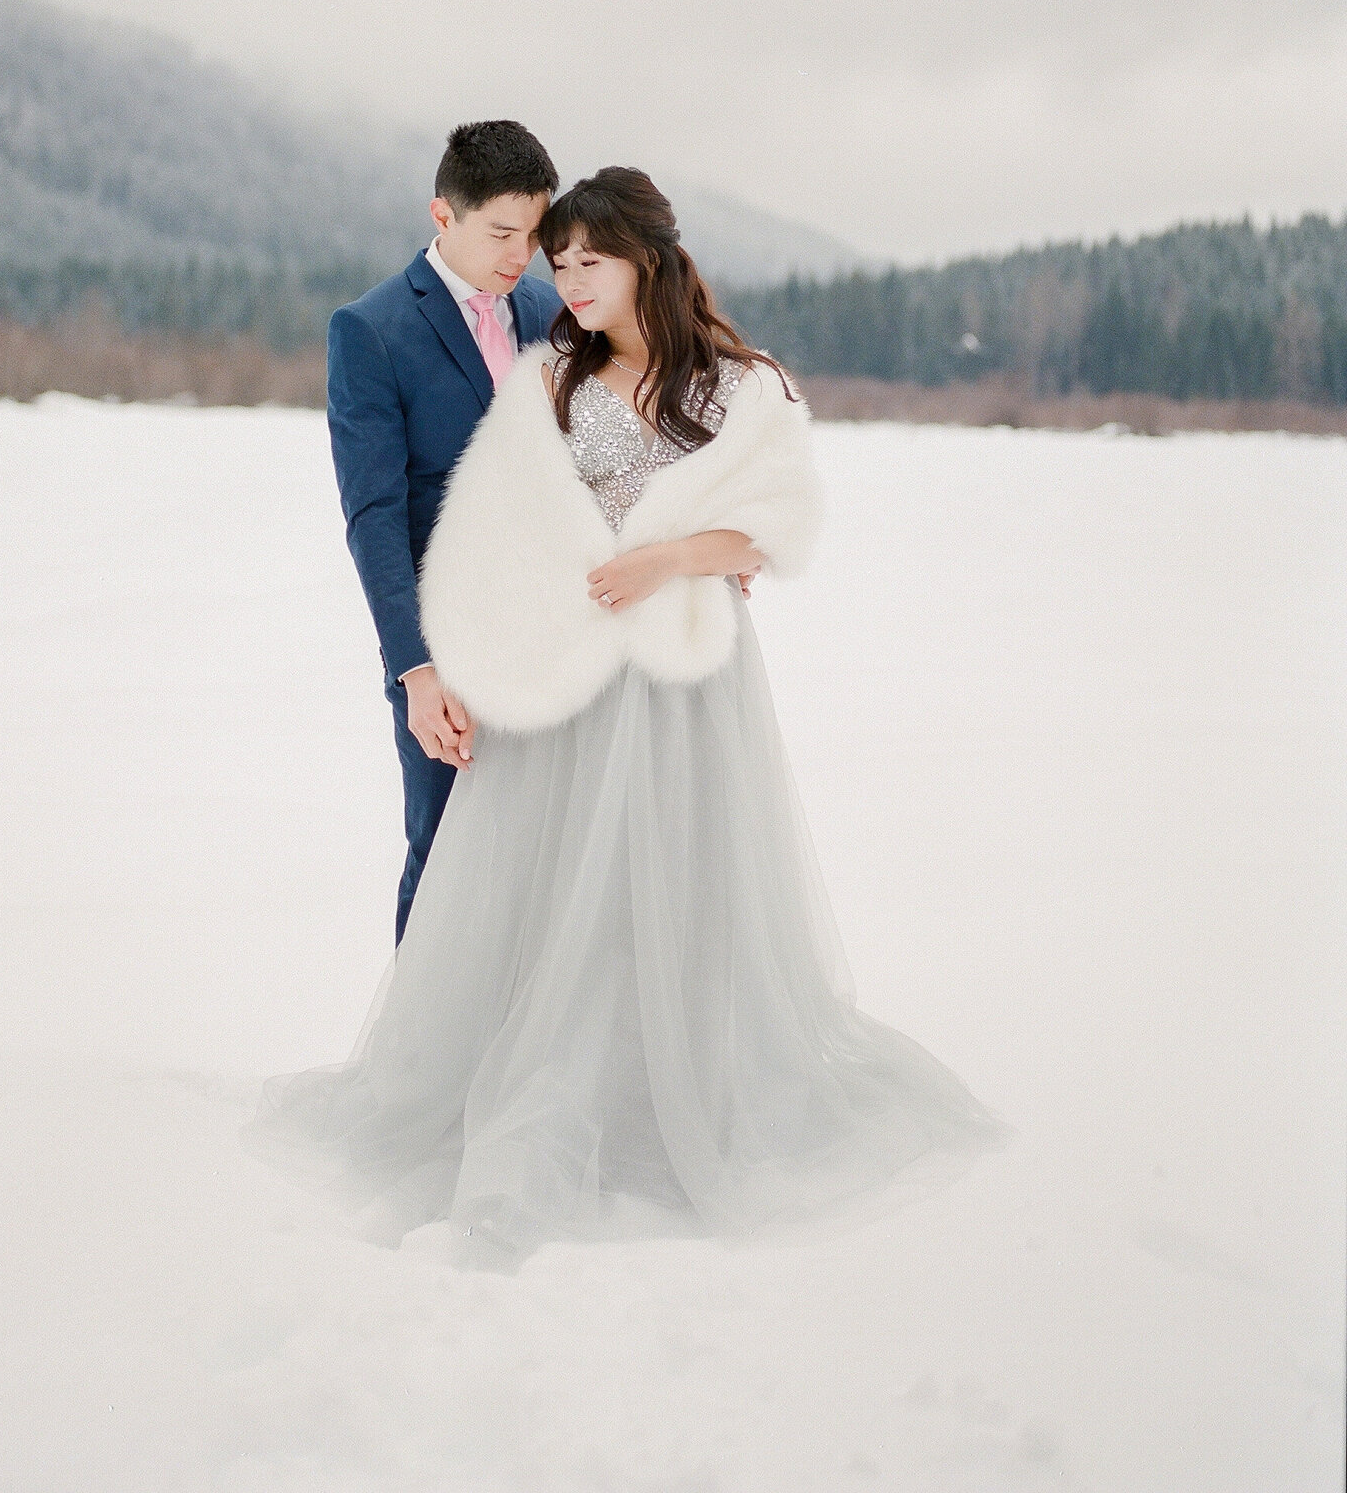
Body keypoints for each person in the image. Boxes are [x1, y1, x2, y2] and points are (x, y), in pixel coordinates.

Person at [251, 166, 1011, 1264]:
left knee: (685, 871)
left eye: (584, 260)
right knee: (563, 889)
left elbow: (774, 529)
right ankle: (546, 1089)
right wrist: (444, 665)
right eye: (552, 263)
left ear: (644, 257)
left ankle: (687, 1085)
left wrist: (670, 556)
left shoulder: (744, 385)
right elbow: (490, 533)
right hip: (572, 679)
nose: (564, 280)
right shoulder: (551, 377)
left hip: (693, 680)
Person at [324, 118, 561, 945]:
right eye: (501, 232)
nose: (520, 255)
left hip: (556, 637)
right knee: (445, 853)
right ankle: (419, 1067)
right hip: (445, 652)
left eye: (534, 234)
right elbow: (374, 516)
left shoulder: (549, 311)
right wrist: (415, 674)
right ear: (442, 214)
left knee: (548, 855)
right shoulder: (372, 331)